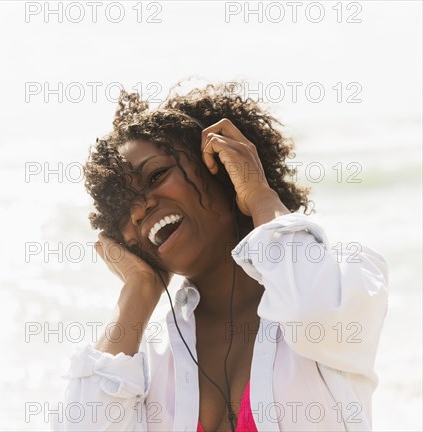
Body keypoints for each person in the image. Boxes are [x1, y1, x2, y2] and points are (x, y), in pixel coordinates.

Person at [52, 83, 389, 432]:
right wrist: (138, 291)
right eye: (123, 210)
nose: (139, 210)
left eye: (156, 175)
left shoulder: (346, 276)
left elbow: (314, 311)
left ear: (224, 167)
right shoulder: (149, 360)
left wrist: (260, 196)